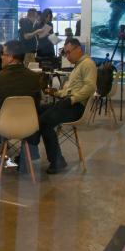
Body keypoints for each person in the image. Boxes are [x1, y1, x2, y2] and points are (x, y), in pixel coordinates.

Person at [38, 38, 96, 174]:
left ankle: (57, 161)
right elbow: (70, 91)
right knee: (36, 111)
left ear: (79, 49)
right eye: (65, 53)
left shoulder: (87, 64)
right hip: (68, 104)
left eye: (69, 52)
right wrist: (55, 92)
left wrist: (72, 99)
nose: (67, 56)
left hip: (76, 107)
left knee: (44, 121)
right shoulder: (78, 65)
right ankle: (28, 153)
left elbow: (90, 87)